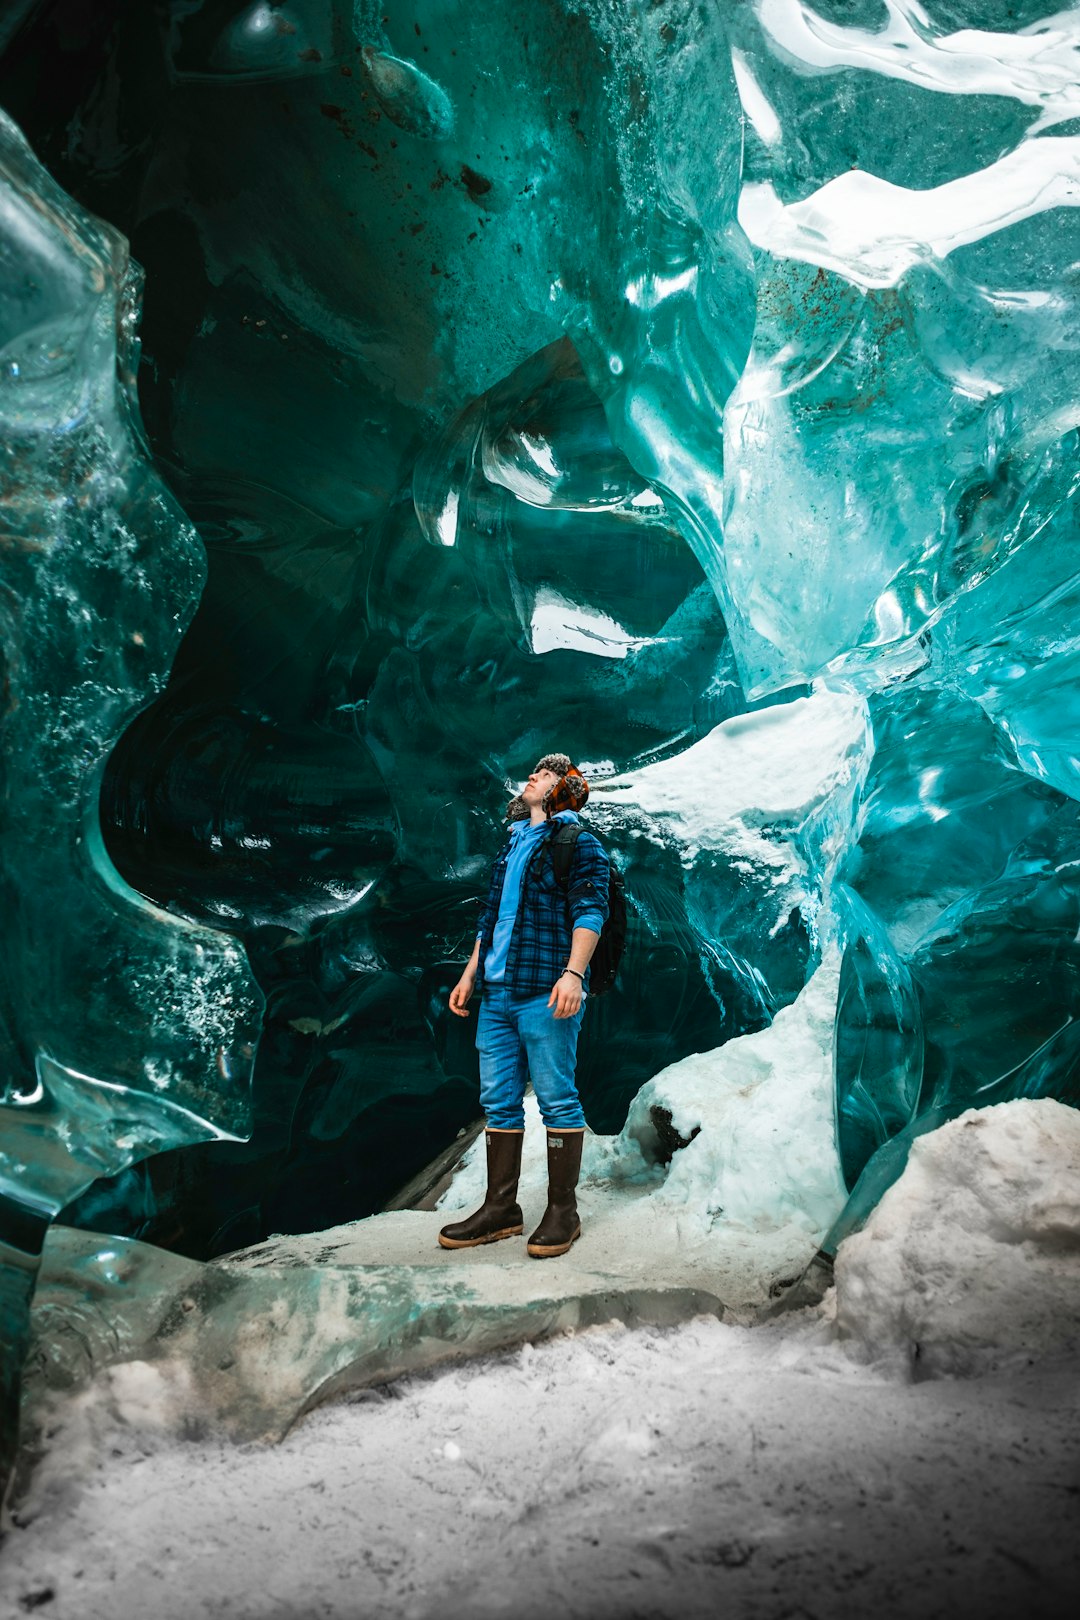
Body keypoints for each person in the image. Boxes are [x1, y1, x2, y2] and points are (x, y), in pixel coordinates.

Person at [440, 754, 610, 1258]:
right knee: (498, 1099)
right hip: (496, 994)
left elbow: (590, 907)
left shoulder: (580, 843)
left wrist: (574, 974)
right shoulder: (513, 843)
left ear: (566, 787)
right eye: (534, 772)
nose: (532, 777)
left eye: (545, 774)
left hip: (544, 990)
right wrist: (471, 974)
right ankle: (501, 1210)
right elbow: (491, 918)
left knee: (557, 1097)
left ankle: (563, 1212)